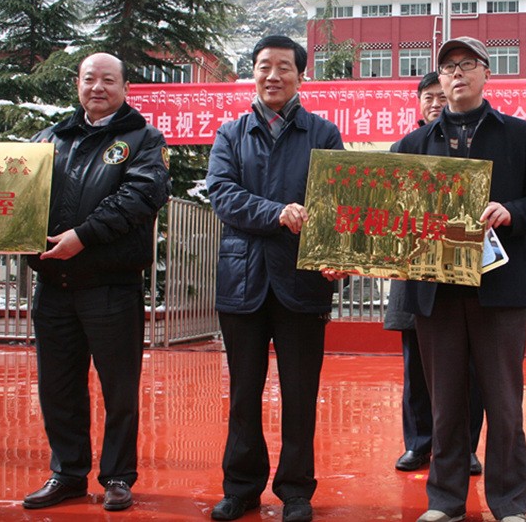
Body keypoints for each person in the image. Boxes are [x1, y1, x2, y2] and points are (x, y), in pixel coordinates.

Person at [396, 36, 526, 522]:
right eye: (448, 67)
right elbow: (395, 216)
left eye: (467, 64)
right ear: (439, 80)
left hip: (498, 290)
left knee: (504, 402)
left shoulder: (518, 135)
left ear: (487, 73)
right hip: (436, 291)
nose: (457, 73)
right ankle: (445, 501)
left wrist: (511, 212)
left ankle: (509, 503)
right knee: (445, 403)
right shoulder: (413, 145)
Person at [23, 53, 171, 511]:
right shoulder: (48, 139)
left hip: (111, 286)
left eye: (108, 80)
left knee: (119, 389)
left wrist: (83, 236)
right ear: (78, 84)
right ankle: (67, 473)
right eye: (90, 79)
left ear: (125, 88)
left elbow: (140, 196)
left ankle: (118, 476)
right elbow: (21, 196)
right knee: (58, 387)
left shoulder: (143, 139)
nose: (98, 87)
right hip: (54, 285)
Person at [206, 35, 345, 522]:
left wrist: (337, 255)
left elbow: (337, 204)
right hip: (242, 280)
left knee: (300, 393)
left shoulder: (323, 134)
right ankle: (241, 487)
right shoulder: (231, 134)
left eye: (284, 67)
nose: (273, 75)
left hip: (302, 282)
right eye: (264, 66)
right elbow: (222, 194)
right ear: (254, 72)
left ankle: (296, 490)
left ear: (300, 76)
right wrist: (277, 213)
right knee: (244, 393)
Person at [383, 72, 485, 475]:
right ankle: (419, 444)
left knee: (470, 369)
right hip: (416, 274)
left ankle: (466, 447)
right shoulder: (404, 148)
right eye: (428, 97)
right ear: (419, 103)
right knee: (417, 368)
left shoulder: (474, 148)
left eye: (442, 96)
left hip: (466, 272)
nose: (436, 103)